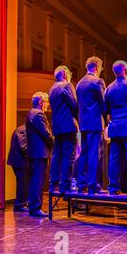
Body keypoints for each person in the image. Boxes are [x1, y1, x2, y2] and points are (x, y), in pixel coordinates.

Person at [104, 60, 127, 196]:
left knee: (114, 158)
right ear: (126, 70)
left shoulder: (109, 88)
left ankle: (113, 188)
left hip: (115, 127)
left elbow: (105, 108)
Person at [76, 56, 107, 195]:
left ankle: (82, 184)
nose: (101, 71)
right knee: (95, 155)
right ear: (96, 67)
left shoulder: (79, 83)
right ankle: (93, 186)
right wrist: (107, 118)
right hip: (95, 123)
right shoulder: (97, 81)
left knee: (84, 154)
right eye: (101, 68)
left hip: (83, 123)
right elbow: (104, 103)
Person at [49, 65, 78, 194]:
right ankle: (65, 185)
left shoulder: (52, 88)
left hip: (57, 126)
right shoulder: (67, 86)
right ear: (65, 75)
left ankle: (53, 183)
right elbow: (74, 105)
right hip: (68, 125)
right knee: (69, 156)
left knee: (56, 155)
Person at [25, 92, 54, 217]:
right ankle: (36, 208)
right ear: (41, 103)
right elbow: (46, 133)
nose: (47, 105)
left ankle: (33, 206)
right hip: (40, 153)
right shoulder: (38, 114)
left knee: (34, 180)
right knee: (38, 181)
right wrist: (54, 142)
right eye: (47, 102)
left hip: (34, 152)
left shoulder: (30, 113)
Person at [7, 124, 30, 212]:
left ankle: (22, 204)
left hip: (20, 161)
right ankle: (20, 205)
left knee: (23, 183)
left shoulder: (22, 129)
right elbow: (24, 147)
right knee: (22, 184)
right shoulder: (23, 130)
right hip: (20, 162)